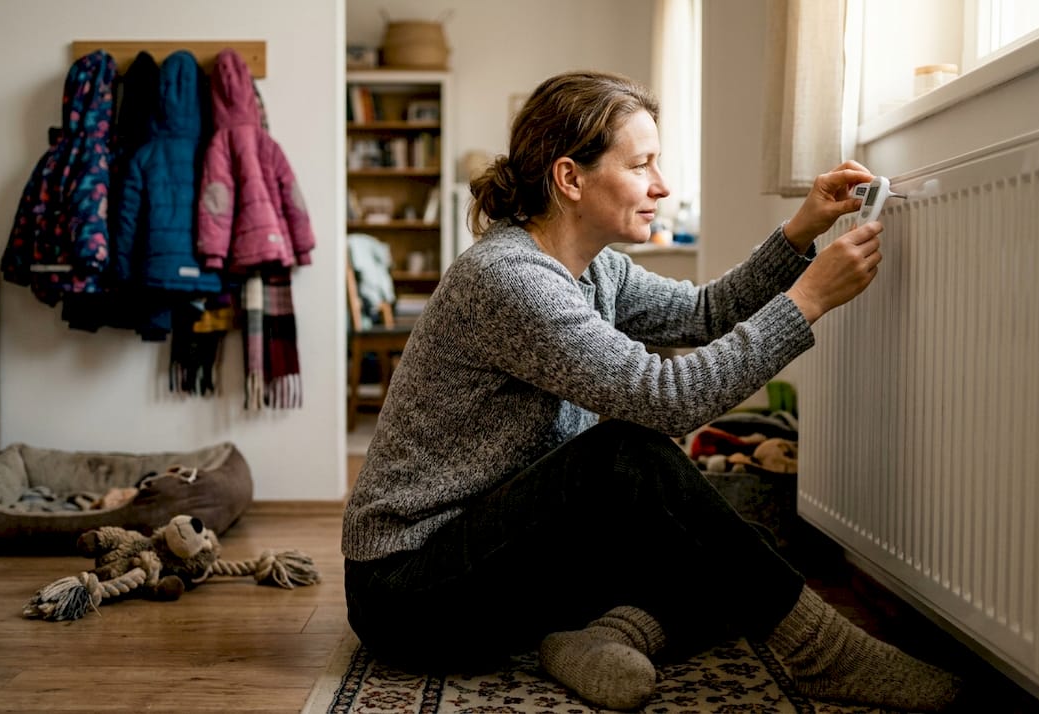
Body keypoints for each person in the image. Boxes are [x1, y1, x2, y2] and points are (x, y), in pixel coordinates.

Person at [342, 70, 961, 711]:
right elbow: (670, 399)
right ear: (570, 178)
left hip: (501, 552)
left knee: (733, 544)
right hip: (411, 591)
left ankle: (605, 635)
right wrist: (807, 302)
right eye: (641, 165)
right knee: (628, 457)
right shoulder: (508, 281)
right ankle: (824, 657)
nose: (661, 186)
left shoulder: (593, 265)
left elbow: (703, 314)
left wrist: (801, 230)